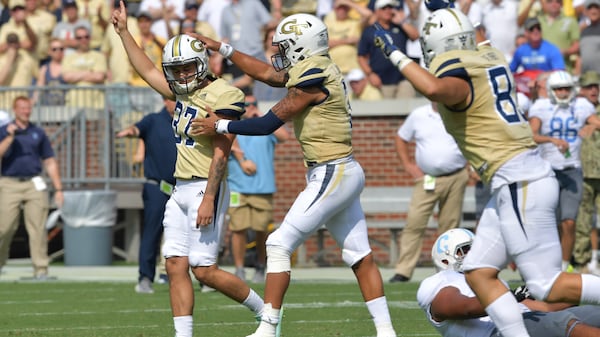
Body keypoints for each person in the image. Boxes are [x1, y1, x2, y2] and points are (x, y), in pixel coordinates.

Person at [374, 7, 600, 337]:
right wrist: (445, 8)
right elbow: (474, 33)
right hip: (518, 177)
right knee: (480, 273)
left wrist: (394, 52)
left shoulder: (459, 85)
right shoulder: (489, 53)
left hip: (518, 179)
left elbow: (436, 89)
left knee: (547, 284)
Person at [193, 12, 398, 337]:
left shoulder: (312, 77)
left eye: (286, 46)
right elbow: (265, 73)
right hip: (341, 170)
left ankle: (268, 328)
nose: (281, 52)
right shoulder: (315, 67)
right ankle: (387, 332)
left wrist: (219, 124)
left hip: (332, 171)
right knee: (360, 256)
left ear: (302, 45)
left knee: (277, 244)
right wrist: (223, 48)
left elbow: (266, 124)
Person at [111, 3, 265, 336]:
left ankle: (265, 312)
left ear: (203, 63)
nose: (181, 76)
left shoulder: (225, 93)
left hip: (204, 187)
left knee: (204, 270)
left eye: (186, 68)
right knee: (175, 264)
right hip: (179, 188)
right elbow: (148, 70)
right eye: (176, 69)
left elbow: (222, 152)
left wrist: (209, 197)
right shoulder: (182, 94)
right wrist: (124, 33)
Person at [418, 228, 600, 337]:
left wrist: (569, 291)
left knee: (593, 313)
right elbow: (462, 307)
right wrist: (507, 296)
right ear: (444, 259)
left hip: (523, 320)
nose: (472, 253)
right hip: (497, 332)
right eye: (465, 250)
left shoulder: (484, 279)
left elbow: (542, 308)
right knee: (562, 322)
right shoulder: (439, 282)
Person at [388, 102, 469, 283]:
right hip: (427, 179)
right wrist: (409, 166)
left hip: (456, 176)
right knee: (415, 222)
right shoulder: (419, 115)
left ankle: (448, 271)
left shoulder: (458, 111)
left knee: (450, 226)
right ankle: (403, 271)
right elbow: (401, 138)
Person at [528, 70, 600, 272]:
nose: (562, 92)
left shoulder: (581, 106)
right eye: (558, 89)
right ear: (551, 91)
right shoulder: (541, 107)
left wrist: (592, 127)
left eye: (566, 88)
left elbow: (596, 122)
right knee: (547, 222)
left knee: (569, 222)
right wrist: (551, 140)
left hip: (572, 170)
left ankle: (564, 267)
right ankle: (542, 265)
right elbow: (531, 135)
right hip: (547, 171)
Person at [116, 98, 177, 294]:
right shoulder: (153, 120)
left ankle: (199, 279)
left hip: (183, 187)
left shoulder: (187, 119)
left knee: (185, 235)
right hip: (157, 187)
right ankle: (145, 277)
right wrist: (130, 132)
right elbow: (137, 129)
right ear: (164, 100)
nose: (176, 103)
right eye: (172, 99)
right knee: (152, 233)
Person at [228, 92, 290, 284]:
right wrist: (242, 160)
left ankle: (260, 266)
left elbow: (284, 136)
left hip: (262, 188)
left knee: (261, 229)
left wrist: (262, 116)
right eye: (246, 105)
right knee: (238, 229)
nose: (250, 107)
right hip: (237, 188)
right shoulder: (234, 126)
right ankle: (239, 268)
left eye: (253, 103)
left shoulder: (265, 128)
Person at [0, 96, 64, 279]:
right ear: (14, 110)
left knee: (38, 227)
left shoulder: (38, 132)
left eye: (28, 108)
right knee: (5, 228)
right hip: (9, 183)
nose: (26, 112)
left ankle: (41, 269)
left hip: (34, 183)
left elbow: (49, 161)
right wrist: (9, 137)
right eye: (22, 108)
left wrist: (59, 189)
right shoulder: (4, 130)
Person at [358, 0, 419, 99]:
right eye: (384, 8)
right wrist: (370, 74)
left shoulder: (399, 26)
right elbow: (361, 56)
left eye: (390, 8)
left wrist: (402, 22)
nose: (388, 10)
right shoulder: (370, 30)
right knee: (387, 112)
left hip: (403, 78)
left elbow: (415, 36)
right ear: (377, 11)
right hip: (382, 81)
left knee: (404, 110)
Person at [573, 71, 600, 274]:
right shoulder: (574, 110)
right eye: (589, 87)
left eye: (596, 87)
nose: (593, 90)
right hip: (582, 172)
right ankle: (582, 260)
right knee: (583, 219)